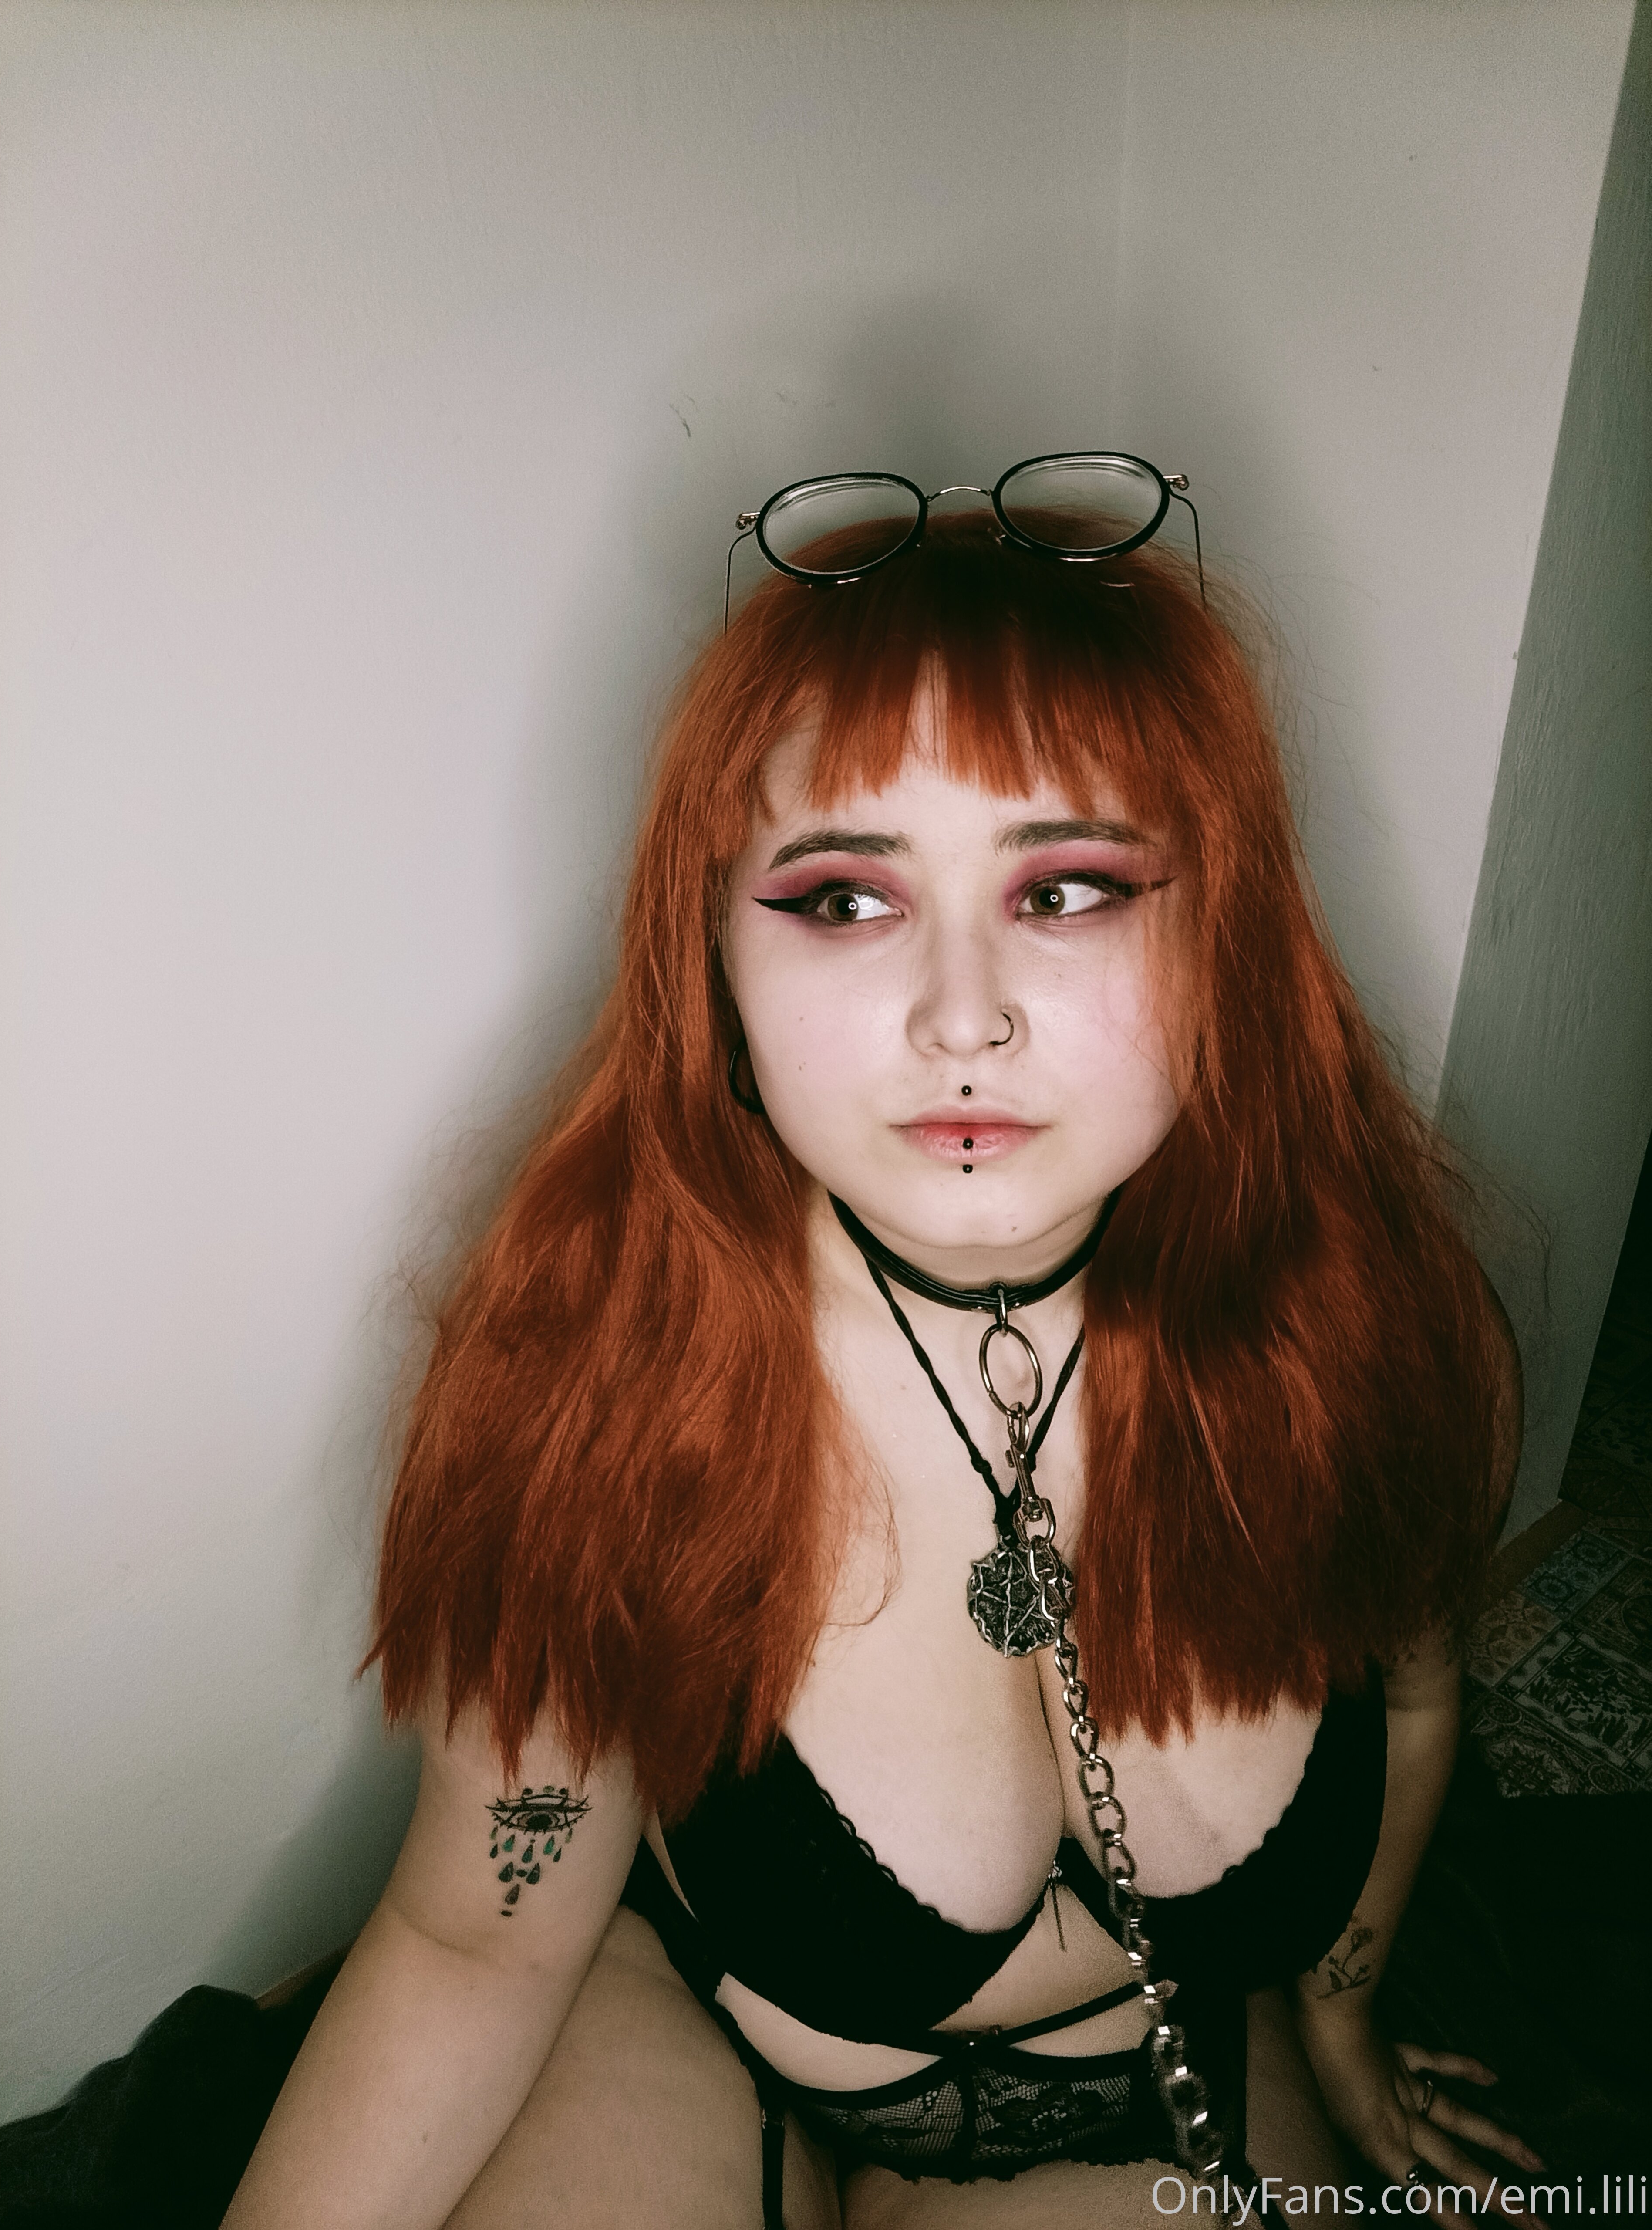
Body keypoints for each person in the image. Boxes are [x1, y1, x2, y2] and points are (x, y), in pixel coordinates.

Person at [223, 476, 1541, 2230]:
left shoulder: (1370, 1330)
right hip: (682, 2038)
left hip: (1139, 2099)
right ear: (715, 965)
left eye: (1069, 887)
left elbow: (1423, 1696)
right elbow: (478, 1935)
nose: (961, 1014)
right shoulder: (601, 1371)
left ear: (1220, 937)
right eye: (845, 899)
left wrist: (1341, 2010)